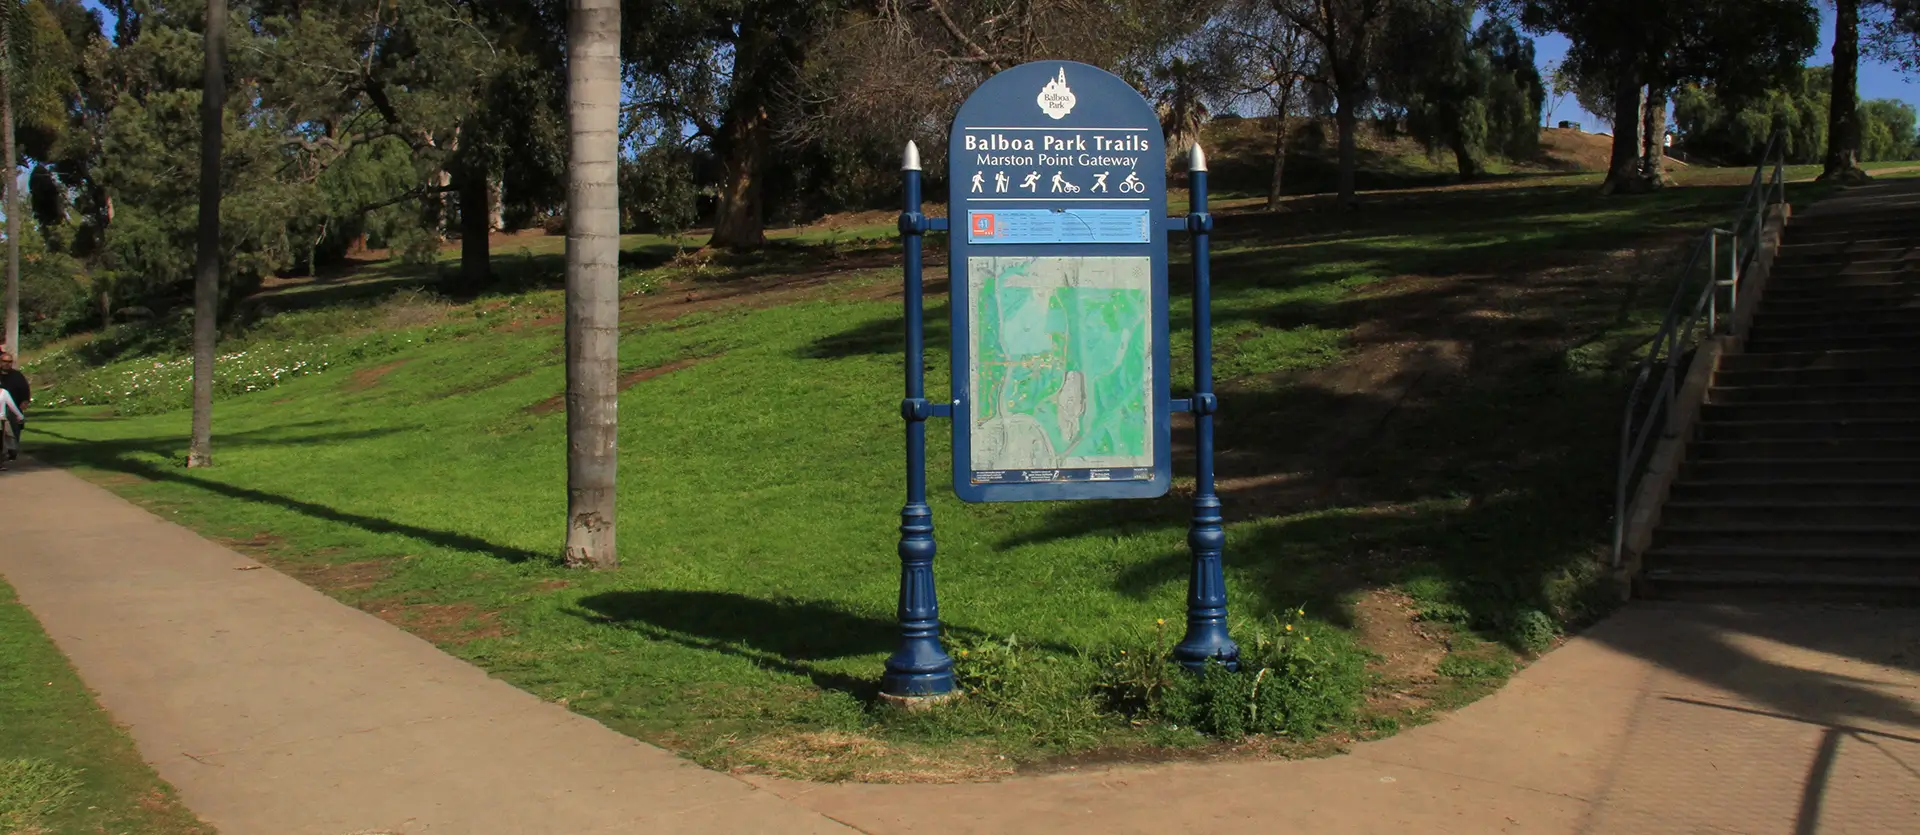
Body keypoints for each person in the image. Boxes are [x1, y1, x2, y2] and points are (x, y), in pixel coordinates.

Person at [0, 348, 26, 462]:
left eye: (9, 361)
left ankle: (13, 450)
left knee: (14, 429)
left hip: (14, 406)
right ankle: (3, 452)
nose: (7, 364)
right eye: (4, 361)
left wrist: (23, 404)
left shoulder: (17, 376)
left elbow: (25, 391)